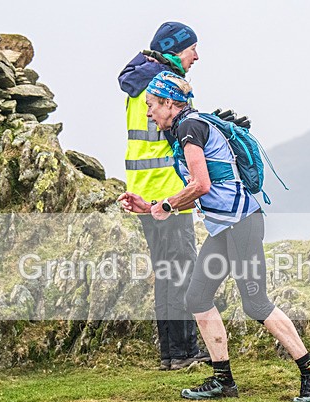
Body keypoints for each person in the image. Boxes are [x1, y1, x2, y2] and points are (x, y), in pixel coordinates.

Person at [119, 72, 310, 402]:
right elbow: (196, 188)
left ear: (169, 104)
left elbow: (201, 185)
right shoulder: (182, 130)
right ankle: (223, 380)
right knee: (197, 298)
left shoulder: (190, 129)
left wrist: (164, 205)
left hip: (243, 224)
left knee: (256, 303)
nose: (148, 113)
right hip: (224, 229)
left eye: (151, 105)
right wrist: (148, 207)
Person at [117, 22, 207, 371]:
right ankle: (183, 353)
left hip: (144, 190)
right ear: (174, 48)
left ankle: (172, 353)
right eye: (191, 49)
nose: (196, 56)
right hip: (169, 193)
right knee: (181, 271)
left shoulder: (139, 84)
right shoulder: (168, 86)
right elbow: (184, 139)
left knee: (167, 272)